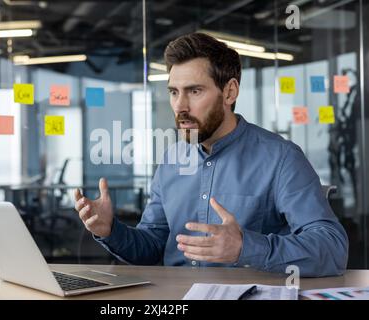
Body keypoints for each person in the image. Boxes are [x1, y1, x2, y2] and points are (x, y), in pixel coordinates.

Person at [74, 32, 348, 277]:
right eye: (173, 92)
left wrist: (245, 247)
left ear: (229, 91)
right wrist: (109, 230)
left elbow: (332, 248)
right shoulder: (172, 160)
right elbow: (153, 247)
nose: (180, 106)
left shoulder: (280, 158)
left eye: (194, 91)